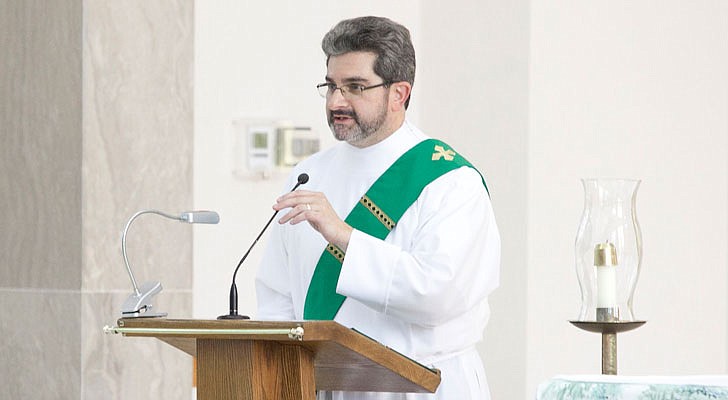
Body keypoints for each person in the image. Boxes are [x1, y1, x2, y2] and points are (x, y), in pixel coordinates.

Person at [255, 16, 500, 400]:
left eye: (354, 87)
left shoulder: (450, 183)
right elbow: (277, 294)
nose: (337, 101)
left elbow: (439, 294)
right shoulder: (308, 176)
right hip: (323, 386)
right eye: (331, 86)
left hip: (419, 386)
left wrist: (346, 236)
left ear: (399, 93)